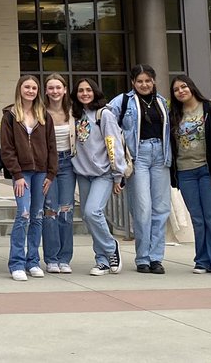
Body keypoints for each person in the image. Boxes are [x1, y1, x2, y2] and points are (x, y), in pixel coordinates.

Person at [107, 63, 172, 274]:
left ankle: (156, 258)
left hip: (161, 156)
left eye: (148, 81)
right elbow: (106, 118)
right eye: (140, 81)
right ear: (133, 83)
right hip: (138, 157)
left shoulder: (161, 102)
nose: (144, 85)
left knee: (161, 208)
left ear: (153, 82)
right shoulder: (123, 101)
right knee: (142, 208)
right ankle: (143, 257)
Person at [170, 74, 211, 276]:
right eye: (176, 89)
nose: (181, 91)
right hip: (186, 173)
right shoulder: (175, 115)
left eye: (184, 87)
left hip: (210, 172)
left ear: (192, 87)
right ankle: (203, 260)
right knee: (198, 219)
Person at [1, 74, 57, 282]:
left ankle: (32, 261)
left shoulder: (44, 115)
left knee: (37, 216)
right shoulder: (10, 115)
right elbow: (6, 149)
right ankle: (16, 263)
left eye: (34, 88)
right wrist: (16, 175)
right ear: (20, 89)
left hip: (42, 173)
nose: (31, 91)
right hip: (22, 174)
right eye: (27, 87)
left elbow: (52, 147)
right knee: (23, 215)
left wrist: (51, 174)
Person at [71, 77, 125, 276]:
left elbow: (114, 144)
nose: (84, 93)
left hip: (103, 173)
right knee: (88, 215)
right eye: (80, 90)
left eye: (88, 90)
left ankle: (111, 248)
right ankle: (101, 261)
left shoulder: (104, 115)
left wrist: (118, 174)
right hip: (83, 174)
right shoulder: (75, 115)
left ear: (95, 92)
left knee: (93, 212)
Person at [42, 74, 76, 274]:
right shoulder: (40, 112)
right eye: (51, 88)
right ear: (46, 91)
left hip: (68, 165)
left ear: (64, 90)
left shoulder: (73, 113)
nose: (55, 91)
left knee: (66, 211)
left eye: (58, 87)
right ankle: (51, 258)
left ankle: (65, 258)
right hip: (48, 166)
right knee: (50, 212)